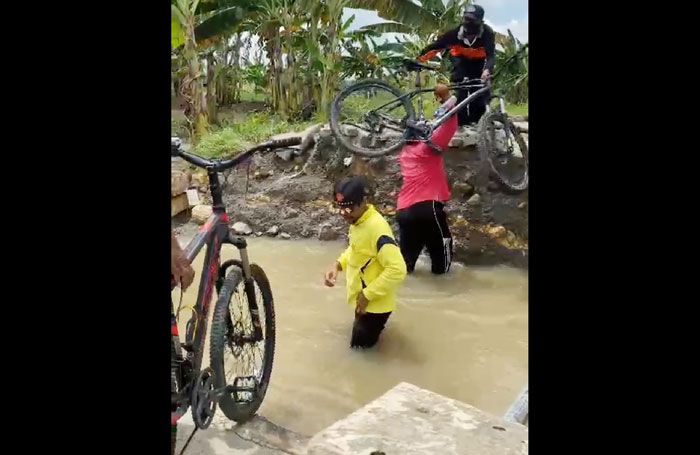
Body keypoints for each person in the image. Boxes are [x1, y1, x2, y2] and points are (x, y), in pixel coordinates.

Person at [324, 176, 407, 349]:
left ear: (363, 202)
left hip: (375, 305)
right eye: (340, 209)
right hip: (364, 300)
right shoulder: (358, 221)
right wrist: (338, 265)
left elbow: (398, 269)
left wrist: (367, 295)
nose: (343, 215)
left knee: (360, 352)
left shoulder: (377, 229)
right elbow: (357, 250)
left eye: (348, 210)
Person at [397, 84, 459, 275]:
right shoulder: (428, 149)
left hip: (404, 212)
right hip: (428, 209)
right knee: (443, 265)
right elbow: (450, 123)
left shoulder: (405, 152)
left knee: (404, 266)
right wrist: (448, 96)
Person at [417, 4, 495, 127]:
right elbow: (435, 47)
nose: (467, 22)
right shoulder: (454, 34)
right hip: (461, 63)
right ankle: (460, 123)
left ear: (480, 21)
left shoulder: (487, 33)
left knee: (480, 96)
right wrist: (418, 59)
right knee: (461, 94)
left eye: (472, 20)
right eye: (466, 19)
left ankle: (479, 124)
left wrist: (487, 70)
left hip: (480, 64)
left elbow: (491, 56)